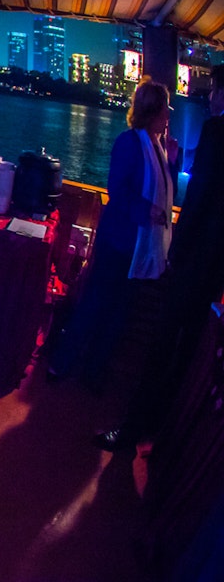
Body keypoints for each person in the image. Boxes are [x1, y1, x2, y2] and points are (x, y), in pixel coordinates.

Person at [94, 66, 224, 451]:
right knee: (182, 353)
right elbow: (120, 190)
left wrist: (176, 253)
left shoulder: (216, 132)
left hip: (193, 263)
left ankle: (134, 431)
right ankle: (163, 431)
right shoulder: (132, 143)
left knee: (163, 348)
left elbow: (198, 200)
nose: (211, 98)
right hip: (212, 271)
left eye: (215, 90)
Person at [49, 78, 177, 388]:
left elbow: (163, 187)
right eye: (164, 109)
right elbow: (117, 190)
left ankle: (94, 371)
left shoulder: (160, 149)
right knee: (95, 304)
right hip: (119, 241)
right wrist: (147, 211)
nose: (168, 115)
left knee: (119, 313)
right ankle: (62, 364)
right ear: (153, 111)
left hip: (138, 247)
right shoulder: (129, 143)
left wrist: (172, 161)